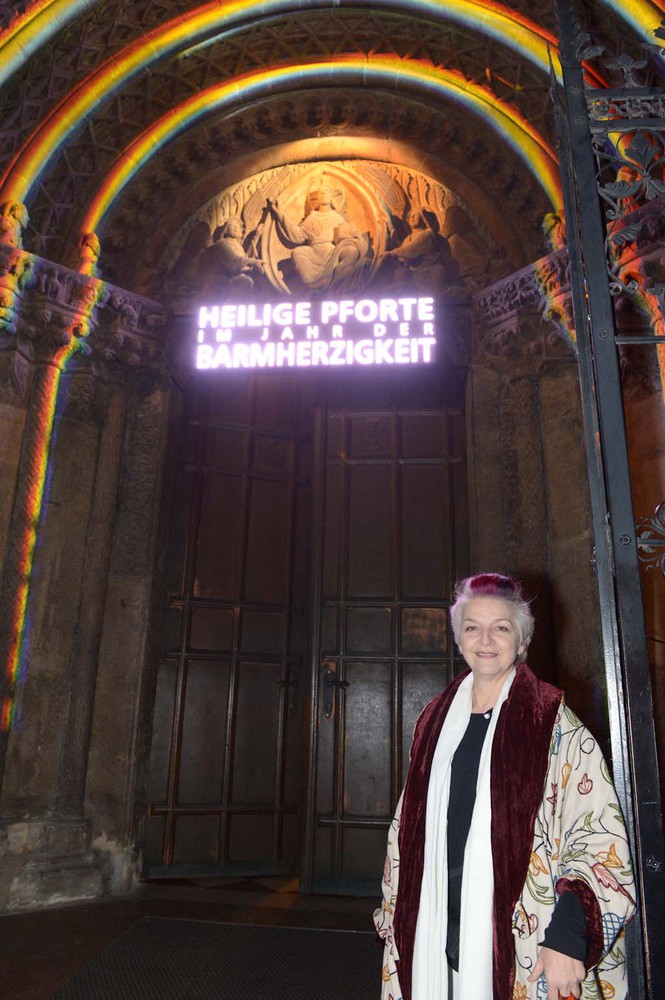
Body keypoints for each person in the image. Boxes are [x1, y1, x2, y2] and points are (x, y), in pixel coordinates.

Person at [374, 573, 636, 1000]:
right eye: (472, 627)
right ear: (459, 637)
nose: (485, 640)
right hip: (437, 924)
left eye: (501, 627)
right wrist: (394, 914)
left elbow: (596, 834)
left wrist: (568, 934)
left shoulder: (552, 724)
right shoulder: (433, 721)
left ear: (522, 639)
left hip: (521, 941)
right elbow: (406, 828)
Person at [266, 181, 366, 293]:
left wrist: (357, 237)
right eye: (321, 193)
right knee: (297, 252)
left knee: (352, 252)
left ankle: (333, 285)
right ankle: (315, 287)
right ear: (317, 199)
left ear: (331, 197)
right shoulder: (312, 217)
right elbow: (298, 235)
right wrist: (279, 214)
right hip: (313, 253)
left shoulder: (336, 217)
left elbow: (347, 238)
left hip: (332, 252)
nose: (323, 194)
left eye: (326, 192)